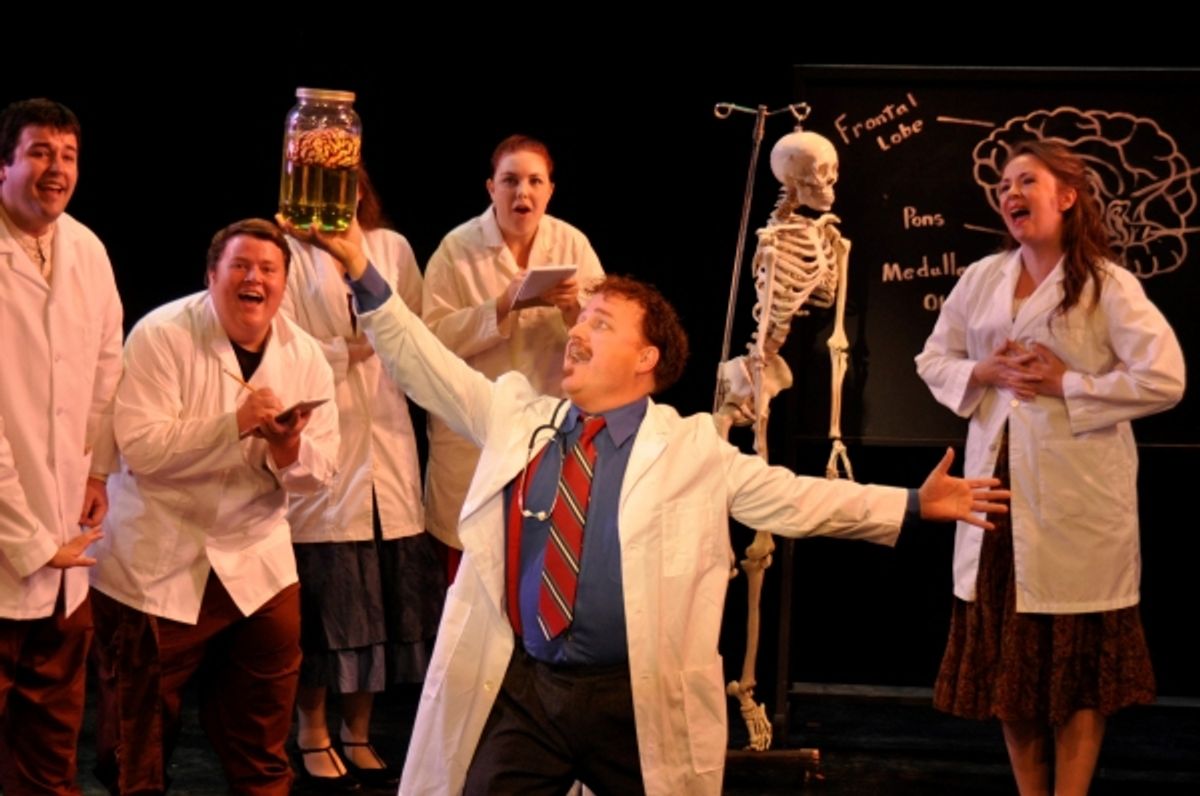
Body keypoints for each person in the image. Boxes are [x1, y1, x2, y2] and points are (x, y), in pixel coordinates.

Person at [280, 215, 1008, 795]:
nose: (577, 333)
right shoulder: (514, 414)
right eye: (579, 321)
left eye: (600, 324)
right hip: (527, 689)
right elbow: (422, 361)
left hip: (632, 700)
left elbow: (796, 499)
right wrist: (360, 268)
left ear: (646, 358)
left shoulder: (690, 449)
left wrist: (912, 504)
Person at [915, 139, 1185, 796]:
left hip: (1077, 504)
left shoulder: (1106, 285)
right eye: (1003, 184)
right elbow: (932, 359)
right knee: (1014, 664)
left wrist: (1071, 384)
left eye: (1025, 180)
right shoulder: (982, 279)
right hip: (997, 501)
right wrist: (982, 370)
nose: (1010, 193)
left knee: (1077, 665)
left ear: (1066, 196)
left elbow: (1165, 378)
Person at [89, 218, 339, 795]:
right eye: (241, 267)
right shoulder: (162, 334)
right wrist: (234, 425)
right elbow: (143, 449)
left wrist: (287, 449)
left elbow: (323, 472)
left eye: (269, 270)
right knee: (136, 744)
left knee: (262, 735)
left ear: (284, 285)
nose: (255, 279)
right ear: (212, 276)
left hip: (258, 560)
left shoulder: (306, 356)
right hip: (159, 561)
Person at [280, 168, 442, 789]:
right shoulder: (288, 251)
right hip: (326, 442)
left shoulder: (393, 248)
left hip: (390, 446)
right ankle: (312, 731)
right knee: (329, 607)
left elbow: (417, 334)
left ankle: (358, 731)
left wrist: (385, 346)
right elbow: (279, 340)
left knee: (380, 604)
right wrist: (347, 352)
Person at [0, 97, 123, 795]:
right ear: (5, 163)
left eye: (68, 156)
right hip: (14, 541)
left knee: (50, 755)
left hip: (66, 550)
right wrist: (28, 538)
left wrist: (100, 467)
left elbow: (109, 367)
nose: (57, 169)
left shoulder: (86, 250)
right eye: (41, 152)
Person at [422, 134, 604, 576]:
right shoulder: (456, 249)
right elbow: (430, 343)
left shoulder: (572, 245)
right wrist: (502, 305)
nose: (522, 192)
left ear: (549, 191)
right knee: (469, 578)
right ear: (491, 188)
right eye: (510, 180)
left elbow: (605, 338)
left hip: (546, 429)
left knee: (540, 570)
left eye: (534, 181)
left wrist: (572, 310)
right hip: (471, 437)